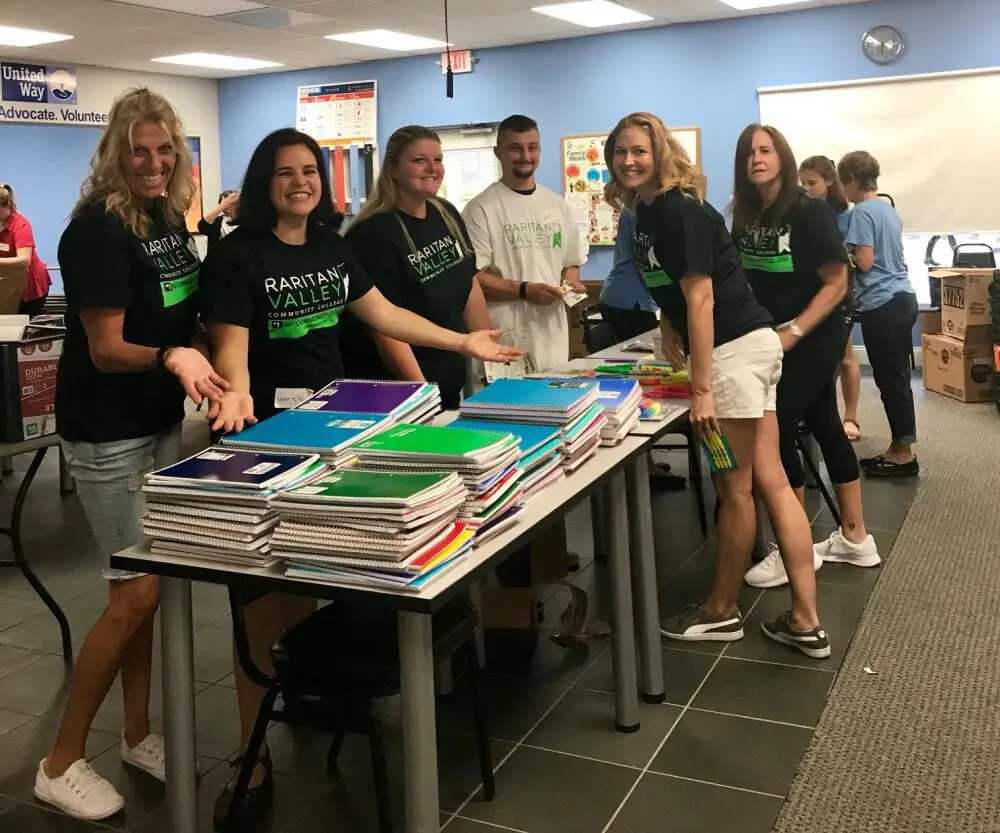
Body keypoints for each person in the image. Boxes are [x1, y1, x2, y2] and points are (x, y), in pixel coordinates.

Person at [199, 127, 520, 825]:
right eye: (284, 173)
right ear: (264, 183)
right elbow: (233, 349)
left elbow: (385, 314)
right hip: (267, 442)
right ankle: (251, 754)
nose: (300, 182)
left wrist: (463, 339)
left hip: (339, 436)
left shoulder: (331, 245)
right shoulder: (236, 256)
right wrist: (235, 399)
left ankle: (313, 694)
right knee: (261, 602)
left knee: (322, 572)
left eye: (309, 171)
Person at [34, 88, 228, 822]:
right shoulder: (94, 230)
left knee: (149, 588)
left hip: (157, 421)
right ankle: (58, 761)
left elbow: (183, 312)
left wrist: (207, 360)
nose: (153, 162)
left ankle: (139, 731)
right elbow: (108, 347)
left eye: (164, 149)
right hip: (107, 431)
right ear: (116, 152)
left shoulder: (165, 219)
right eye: (139, 150)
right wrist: (177, 356)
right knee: (135, 592)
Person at [606, 111, 829, 659]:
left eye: (639, 150)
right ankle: (806, 619)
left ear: (660, 152)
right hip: (749, 349)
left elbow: (702, 296)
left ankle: (720, 611)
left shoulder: (677, 209)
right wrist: (666, 321)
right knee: (772, 480)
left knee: (734, 490)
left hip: (732, 356)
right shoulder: (650, 212)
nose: (629, 160)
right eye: (620, 152)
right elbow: (678, 289)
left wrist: (701, 388)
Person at [733, 126, 879, 590]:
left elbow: (837, 282)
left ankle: (789, 547)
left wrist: (794, 332)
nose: (757, 158)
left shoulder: (809, 211)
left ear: (783, 157)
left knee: (774, 432)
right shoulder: (745, 213)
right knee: (825, 424)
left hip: (811, 336)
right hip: (767, 338)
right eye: (749, 152)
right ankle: (855, 538)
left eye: (765, 150)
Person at [339, 125, 494, 409]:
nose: (432, 168)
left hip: (447, 380)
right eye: (419, 160)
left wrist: (493, 360)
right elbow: (384, 326)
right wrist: (422, 395)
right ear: (394, 169)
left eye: (438, 160)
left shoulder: (444, 213)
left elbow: (469, 283)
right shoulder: (373, 234)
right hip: (399, 393)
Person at [463, 114, 585, 373]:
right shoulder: (480, 209)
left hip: (552, 337)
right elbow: (472, 279)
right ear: (499, 153)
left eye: (532, 148)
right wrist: (524, 290)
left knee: (553, 405)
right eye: (515, 148)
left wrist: (570, 284)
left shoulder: (557, 206)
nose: (525, 156)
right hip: (503, 339)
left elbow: (570, 264)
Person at [838, 150, 919, 477]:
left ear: (851, 181)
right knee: (897, 377)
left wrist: (842, 256)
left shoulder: (861, 213)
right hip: (903, 297)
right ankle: (901, 446)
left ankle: (902, 454)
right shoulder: (888, 210)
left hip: (882, 304)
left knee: (890, 379)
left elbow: (866, 262)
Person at [601, 208, 685, 490]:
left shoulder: (634, 208)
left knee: (640, 382)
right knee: (640, 387)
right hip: (631, 299)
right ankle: (642, 466)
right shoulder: (644, 211)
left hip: (620, 294)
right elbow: (650, 261)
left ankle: (643, 462)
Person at [799, 156, 862, 443]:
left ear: (828, 181)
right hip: (811, 295)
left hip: (839, 296)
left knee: (846, 358)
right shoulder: (803, 214)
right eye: (802, 183)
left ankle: (851, 417)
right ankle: (822, 419)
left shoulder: (846, 216)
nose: (806, 189)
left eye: (811, 183)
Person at [0, 183, 52, 316]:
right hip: (7, 283)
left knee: (24, 326)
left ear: (7, 206)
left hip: (29, 286)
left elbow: (25, 260)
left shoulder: (21, 225)